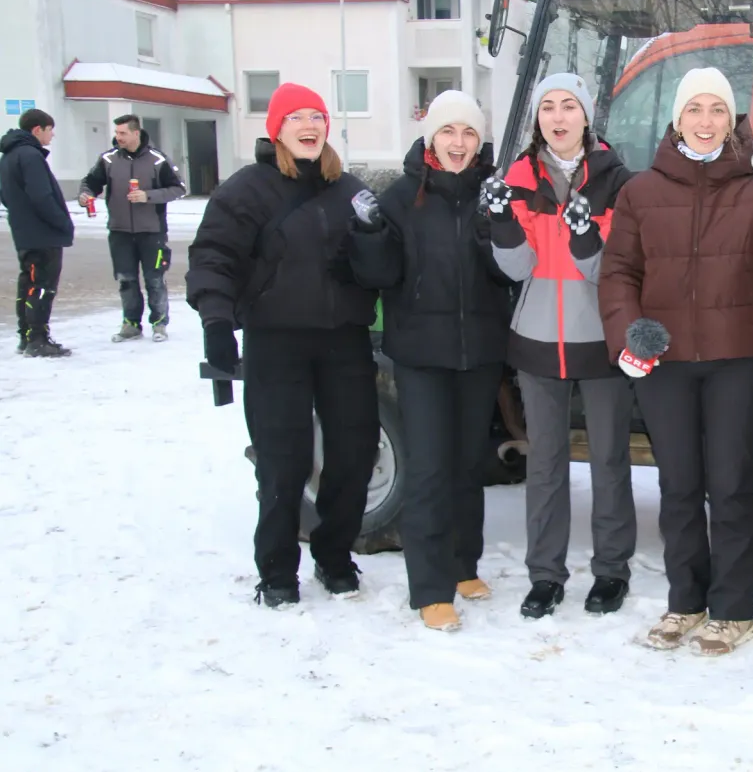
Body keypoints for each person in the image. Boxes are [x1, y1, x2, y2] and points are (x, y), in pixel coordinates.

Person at [599, 68, 753, 656]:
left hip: (734, 358)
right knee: (679, 486)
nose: (707, 120)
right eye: (696, 108)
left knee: (730, 485)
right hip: (664, 361)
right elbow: (619, 272)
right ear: (676, 117)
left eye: (719, 109)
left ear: (732, 118)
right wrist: (627, 335)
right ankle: (684, 603)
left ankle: (733, 610)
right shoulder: (641, 191)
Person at [186, 83, 380, 608]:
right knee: (284, 460)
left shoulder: (351, 190)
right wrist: (216, 322)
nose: (309, 125)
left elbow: (384, 256)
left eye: (316, 115)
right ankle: (275, 570)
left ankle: (334, 556)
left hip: (344, 342)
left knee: (354, 455)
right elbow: (213, 256)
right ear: (277, 130)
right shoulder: (247, 190)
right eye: (296, 117)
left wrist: (370, 256)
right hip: (277, 342)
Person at [347, 91, 511, 632]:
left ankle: (464, 567)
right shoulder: (400, 198)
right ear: (431, 138)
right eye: (448, 132)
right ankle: (430, 587)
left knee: (469, 465)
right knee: (429, 469)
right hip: (421, 354)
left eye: (468, 133)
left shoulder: (494, 194)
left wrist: (501, 227)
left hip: (480, 351)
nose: (458, 143)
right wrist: (369, 235)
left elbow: (507, 270)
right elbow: (380, 275)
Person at [485, 72, 637, 619]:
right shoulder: (520, 178)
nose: (557, 116)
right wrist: (502, 223)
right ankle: (545, 575)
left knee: (609, 460)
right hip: (537, 342)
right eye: (547, 107)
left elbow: (612, 271)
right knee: (545, 463)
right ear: (538, 119)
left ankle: (610, 572)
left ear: (586, 116)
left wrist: (584, 237)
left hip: (599, 338)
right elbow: (517, 267)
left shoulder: (617, 180)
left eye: (568, 106)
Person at [78, 114, 186, 343]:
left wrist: (148, 196)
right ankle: (131, 324)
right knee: (126, 279)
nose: (118, 138)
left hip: (152, 231)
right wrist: (85, 194)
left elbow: (179, 188)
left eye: (123, 133)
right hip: (120, 231)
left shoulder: (158, 160)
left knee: (154, 279)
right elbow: (91, 182)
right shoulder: (108, 159)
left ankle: (159, 323)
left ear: (136, 133)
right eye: (117, 133)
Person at [0, 108, 74, 357]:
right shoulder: (30, 156)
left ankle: (27, 336)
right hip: (42, 234)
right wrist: (62, 222)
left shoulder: (9, 156)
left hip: (25, 232)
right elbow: (41, 195)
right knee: (42, 286)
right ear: (37, 129)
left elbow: (6, 196)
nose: (52, 135)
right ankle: (37, 338)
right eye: (50, 130)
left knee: (29, 285)